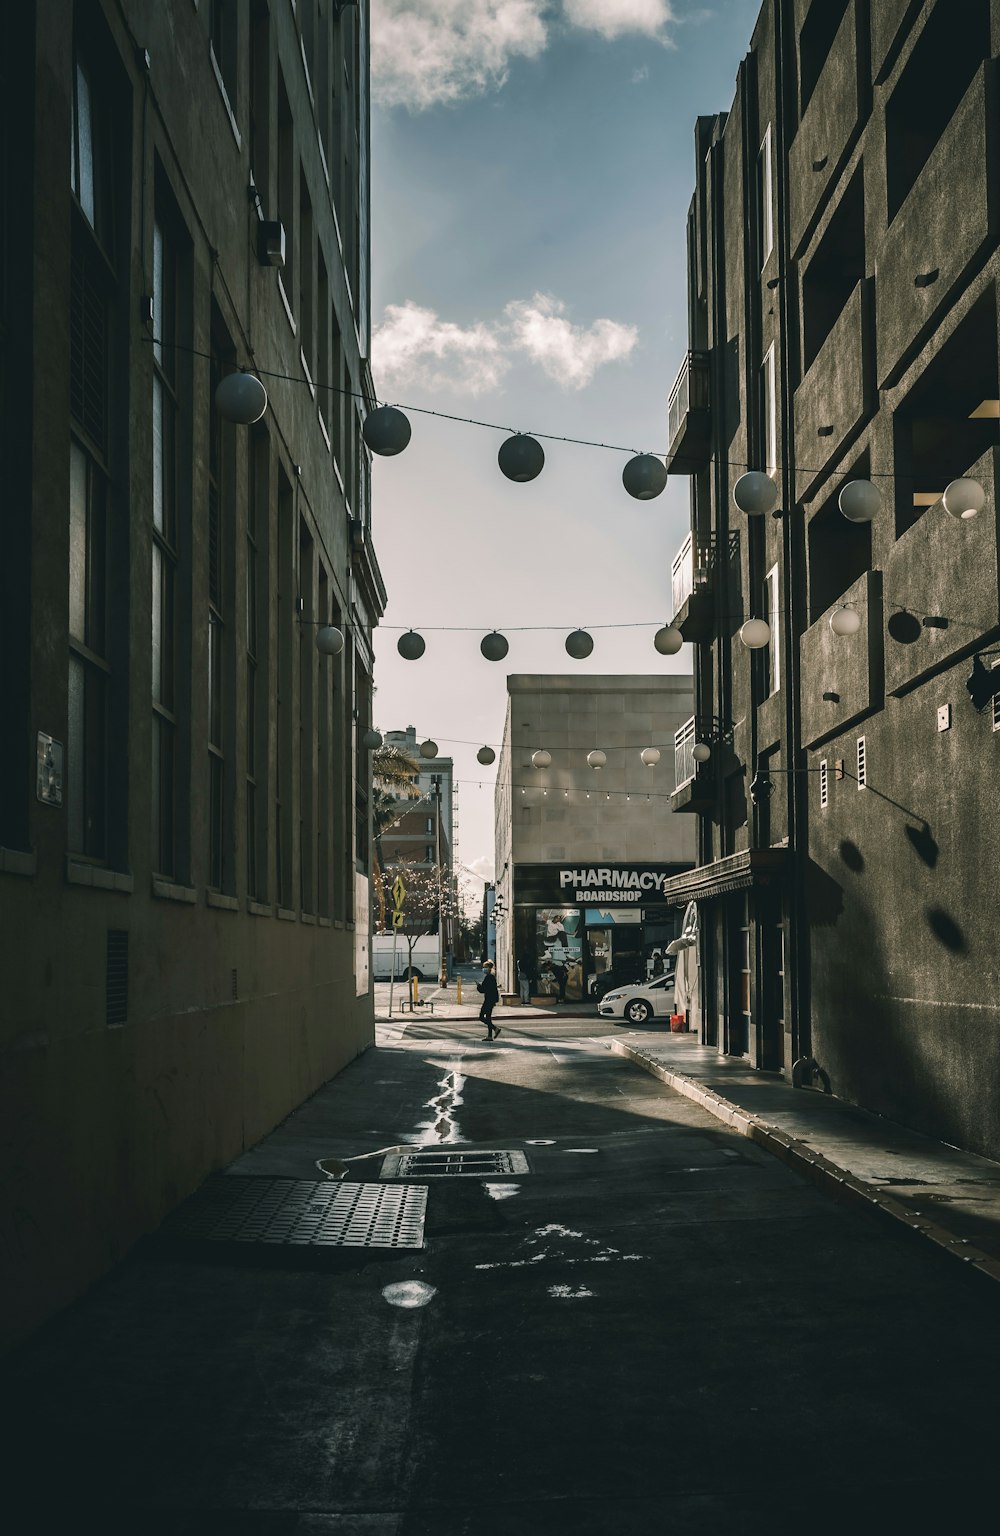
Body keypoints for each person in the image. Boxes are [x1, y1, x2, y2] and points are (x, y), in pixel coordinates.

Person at [476, 960, 501, 1040]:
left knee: (481, 1017)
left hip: (489, 1000)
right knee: (488, 1017)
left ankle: (495, 1029)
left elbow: (483, 989)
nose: (483, 969)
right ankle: (490, 1036)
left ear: (489, 968)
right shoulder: (491, 977)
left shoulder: (489, 977)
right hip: (491, 999)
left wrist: (478, 986)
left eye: (485, 967)